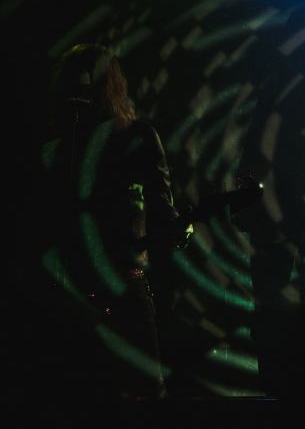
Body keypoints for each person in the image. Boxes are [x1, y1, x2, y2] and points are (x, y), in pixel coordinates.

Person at [30, 43, 188, 400]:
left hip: (72, 294)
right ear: (114, 83)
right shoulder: (135, 136)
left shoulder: (53, 151)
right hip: (121, 288)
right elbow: (163, 211)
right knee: (143, 394)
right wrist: (180, 228)